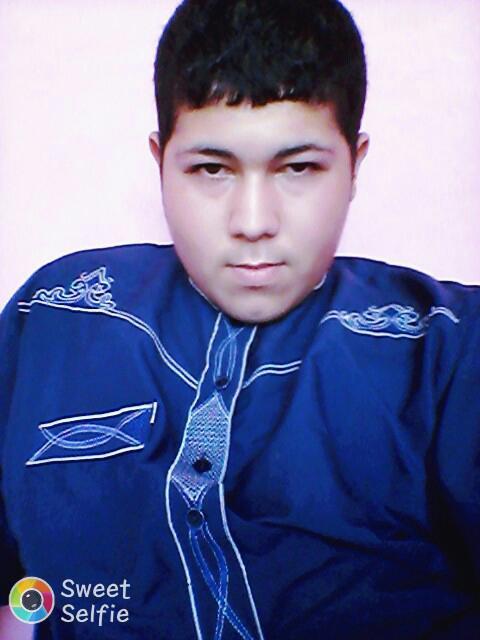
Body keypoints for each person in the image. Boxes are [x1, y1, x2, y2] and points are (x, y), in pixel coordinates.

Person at [1, 0, 479, 638]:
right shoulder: (56, 316)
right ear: (160, 162)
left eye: (299, 168)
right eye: (211, 169)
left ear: (355, 164)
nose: (253, 222)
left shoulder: (445, 346)